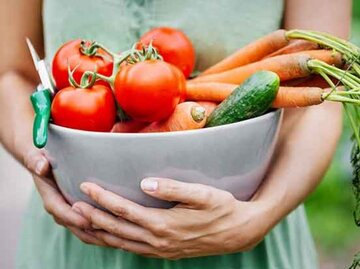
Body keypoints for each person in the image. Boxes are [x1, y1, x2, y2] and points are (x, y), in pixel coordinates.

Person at [0, 0, 351, 268]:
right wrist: (41, 160)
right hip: (78, 237)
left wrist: (258, 218)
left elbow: (319, 107)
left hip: (246, 239)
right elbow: (9, 75)